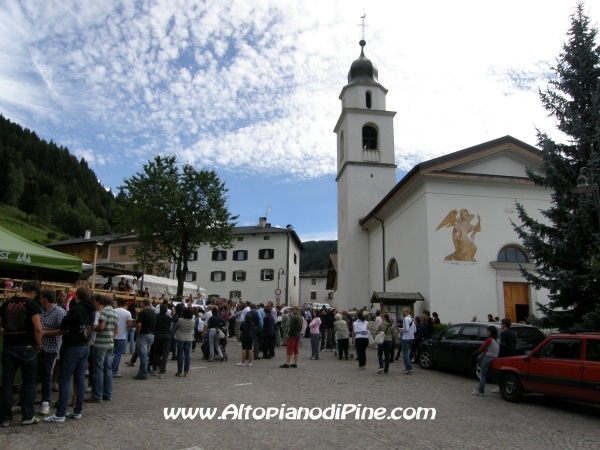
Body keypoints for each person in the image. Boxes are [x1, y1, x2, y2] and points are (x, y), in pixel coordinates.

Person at [44, 287, 96, 423]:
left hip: (73, 345)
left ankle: (60, 413)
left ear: (77, 296)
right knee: (79, 378)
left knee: (65, 378)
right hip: (85, 345)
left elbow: (63, 326)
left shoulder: (76, 309)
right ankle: (77, 410)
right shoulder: (92, 310)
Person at [0, 281, 43, 426]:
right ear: (34, 292)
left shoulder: (6, 304)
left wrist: (7, 334)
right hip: (27, 346)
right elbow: (38, 328)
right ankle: (27, 416)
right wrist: (38, 343)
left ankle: (5, 418)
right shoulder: (32, 305)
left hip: (9, 346)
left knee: (6, 383)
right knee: (29, 382)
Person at [38, 289, 66, 416]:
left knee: (47, 375)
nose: (39, 300)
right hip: (37, 347)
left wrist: (44, 333)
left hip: (51, 348)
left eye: (41, 298)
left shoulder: (60, 312)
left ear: (45, 298)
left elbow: (63, 330)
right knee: (33, 375)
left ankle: (46, 401)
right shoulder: (40, 311)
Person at [87, 295, 118, 403]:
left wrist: (94, 328)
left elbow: (101, 326)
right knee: (107, 369)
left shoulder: (104, 311)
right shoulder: (114, 312)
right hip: (110, 343)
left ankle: (97, 395)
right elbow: (116, 330)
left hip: (101, 344)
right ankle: (107, 393)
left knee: (98, 370)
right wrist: (110, 337)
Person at [472, 325, 499, 396]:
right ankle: (478, 389)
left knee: (482, 375)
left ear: (490, 332)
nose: (486, 332)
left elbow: (482, 348)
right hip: (494, 357)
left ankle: (480, 390)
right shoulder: (496, 340)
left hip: (487, 358)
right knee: (485, 375)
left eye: (487, 331)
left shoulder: (489, 340)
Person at [133, 299, 156, 380]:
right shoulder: (153, 313)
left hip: (143, 334)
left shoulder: (142, 313)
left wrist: (137, 334)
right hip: (151, 335)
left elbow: (138, 325)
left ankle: (143, 373)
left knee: (143, 355)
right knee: (146, 354)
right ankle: (145, 369)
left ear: (143, 303)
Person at [112, 298, 133, 377]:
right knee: (118, 354)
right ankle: (114, 371)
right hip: (122, 335)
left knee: (110, 354)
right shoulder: (127, 313)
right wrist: (125, 326)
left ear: (117, 303)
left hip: (113, 335)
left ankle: (107, 369)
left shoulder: (113, 311)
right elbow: (130, 324)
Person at [151, 304, 172, 379]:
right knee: (165, 354)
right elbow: (169, 326)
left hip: (158, 335)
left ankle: (154, 368)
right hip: (167, 335)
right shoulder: (169, 318)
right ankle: (162, 371)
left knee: (156, 352)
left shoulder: (156, 316)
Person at [174, 307, 195, 375]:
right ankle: (186, 371)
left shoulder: (180, 320)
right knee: (187, 355)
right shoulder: (192, 321)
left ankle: (179, 371)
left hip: (180, 338)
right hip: (189, 338)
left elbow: (176, 326)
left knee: (180, 354)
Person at [399, 308, 416, 375]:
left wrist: (399, 329)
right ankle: (407, 368)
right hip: (411, 338)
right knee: (407, 353)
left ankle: (409, 368)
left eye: (404, 311)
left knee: (405, 354)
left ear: (407, 312)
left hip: (405, 338)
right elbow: (415, 330)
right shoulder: (413, 319)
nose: (403, 312)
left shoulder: (406, 319)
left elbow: (406, 329)